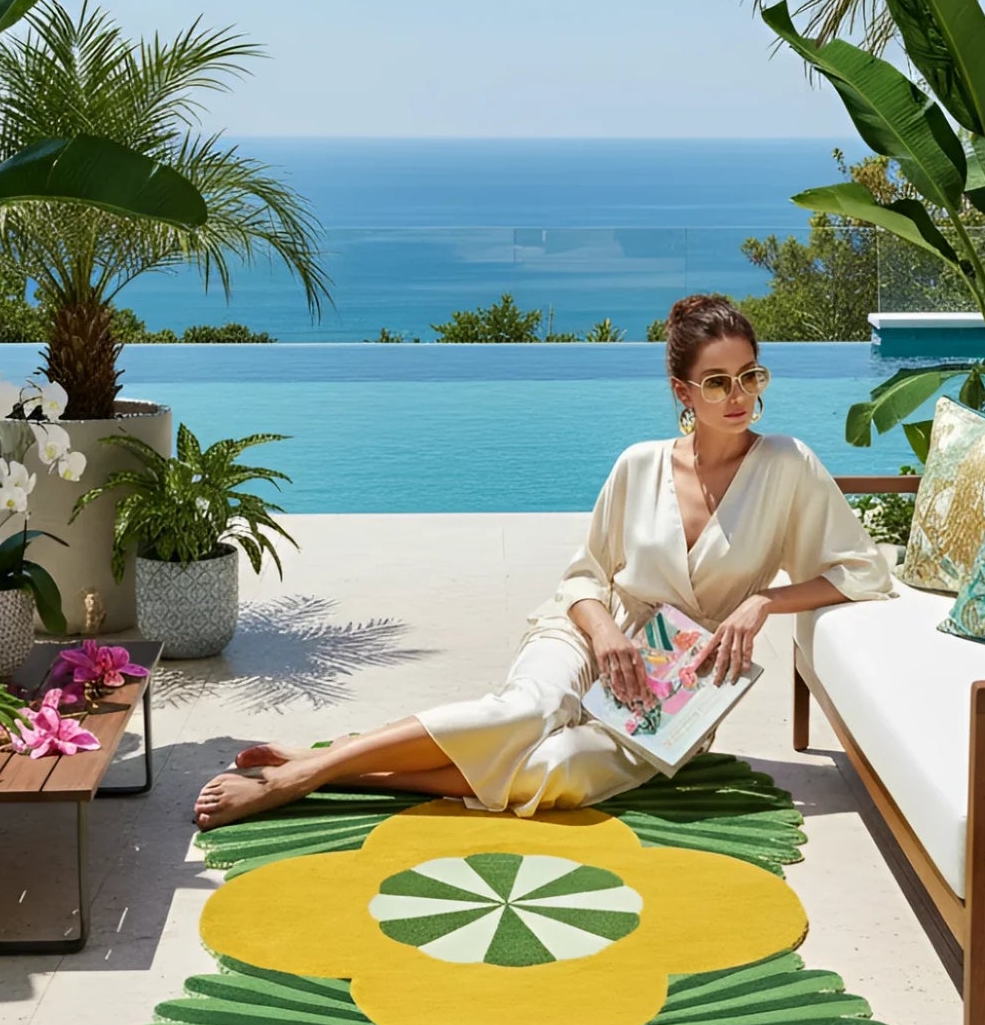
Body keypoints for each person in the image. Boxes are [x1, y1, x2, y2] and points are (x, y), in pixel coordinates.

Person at [193, 293, 895, 828]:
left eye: (748, 375)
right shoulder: (639, 464)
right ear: (683, 391)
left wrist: (762, 601)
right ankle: (307, 772)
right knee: (527, 711)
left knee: (557, 771)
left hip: (679, 684)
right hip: (592, 633)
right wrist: (606, 632)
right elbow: (584, 576)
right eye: (717, 382)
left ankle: (333, 771)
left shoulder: (787, 465)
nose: (738, 396)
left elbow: (862, 572)